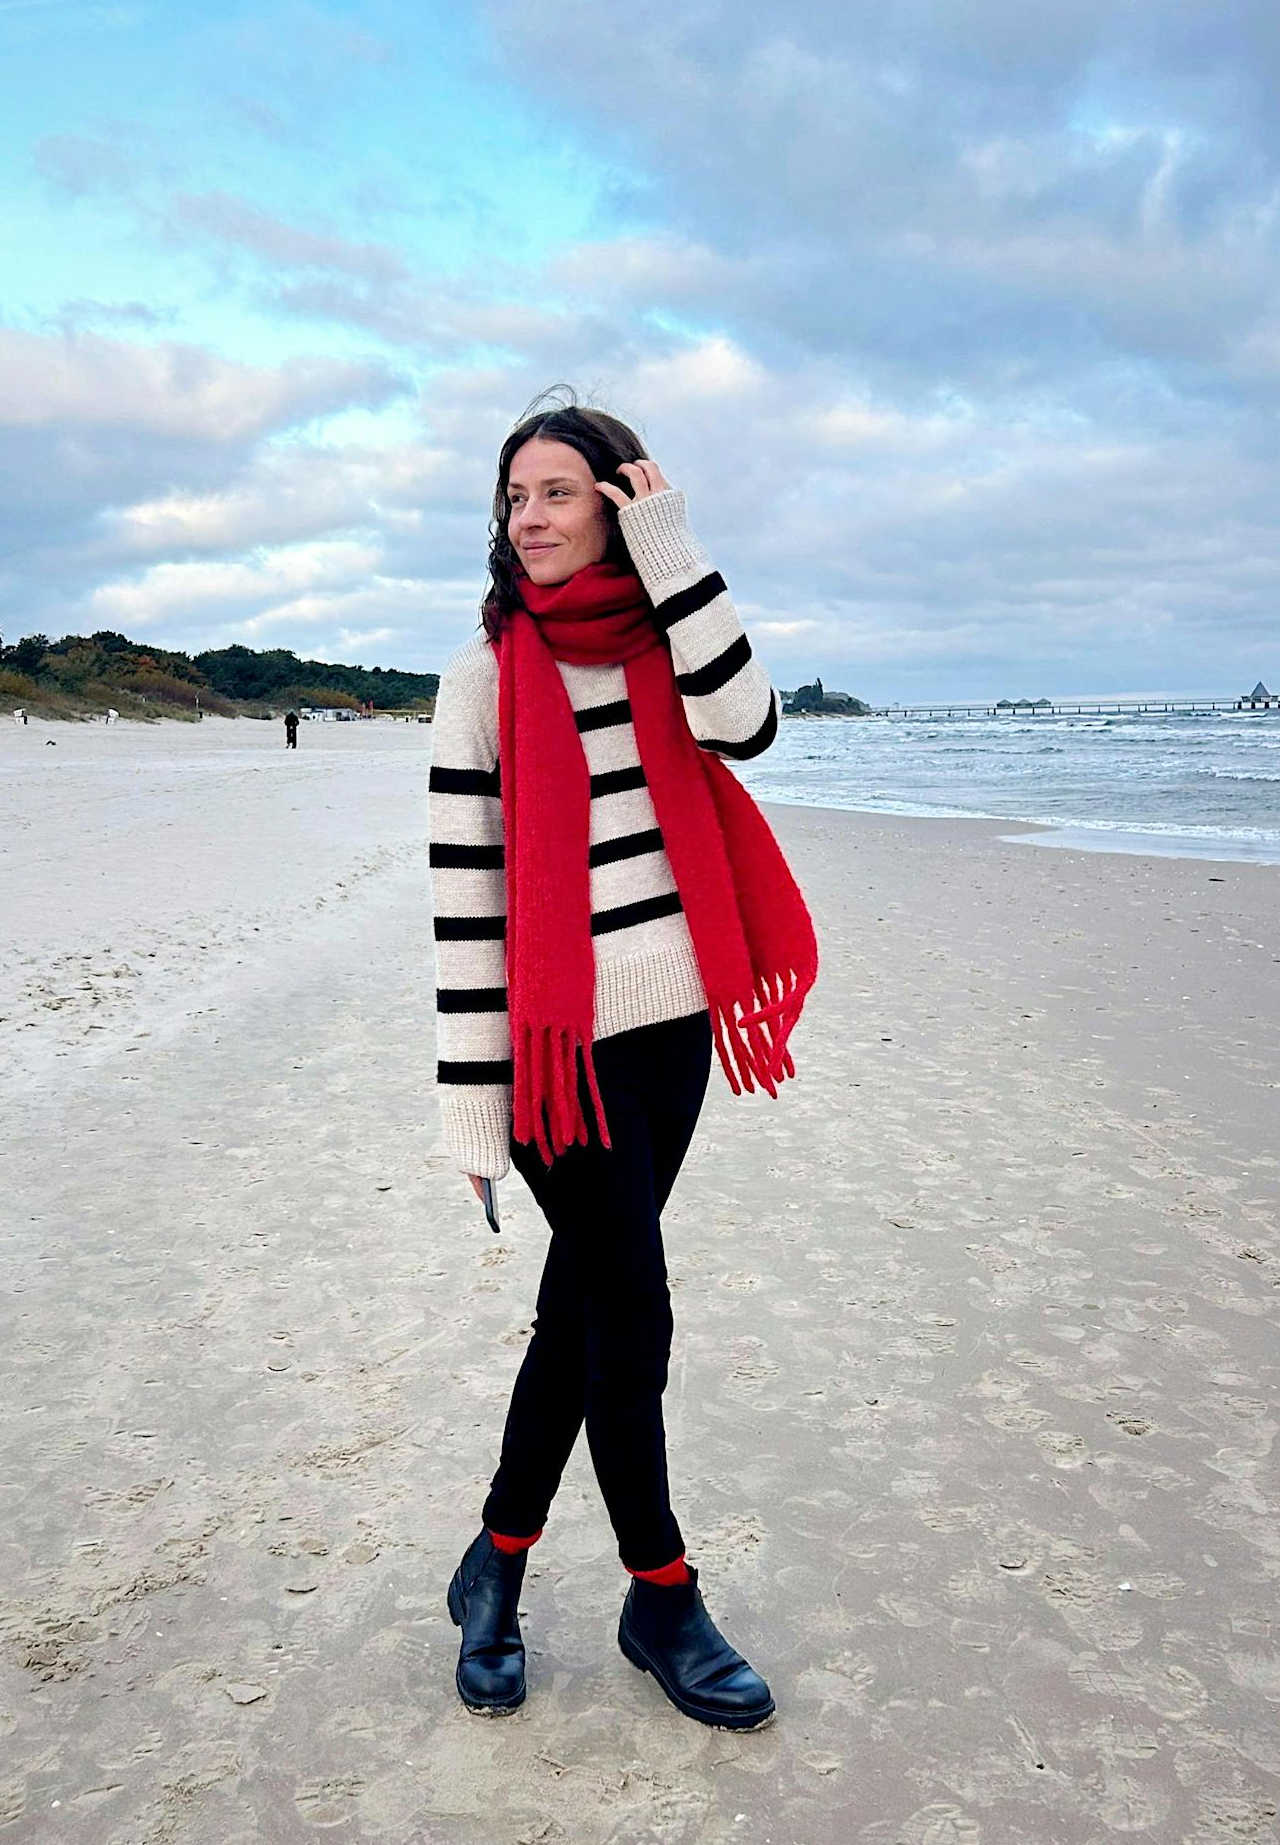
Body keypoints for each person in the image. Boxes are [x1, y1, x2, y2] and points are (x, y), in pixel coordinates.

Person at [427, 390, 816, 1729]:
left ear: (616, 507)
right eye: (513, 496)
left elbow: (751, 721)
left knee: (581, 1315)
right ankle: (663, 1596)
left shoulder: (669, 647)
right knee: (634, 1316)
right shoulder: (483, 678)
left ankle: (496, 1566)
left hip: (676, 1036)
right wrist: (476, 1110)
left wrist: (678, 549)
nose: (527, 518)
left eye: (556, 494)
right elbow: (468, 904)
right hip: (555, 1060)